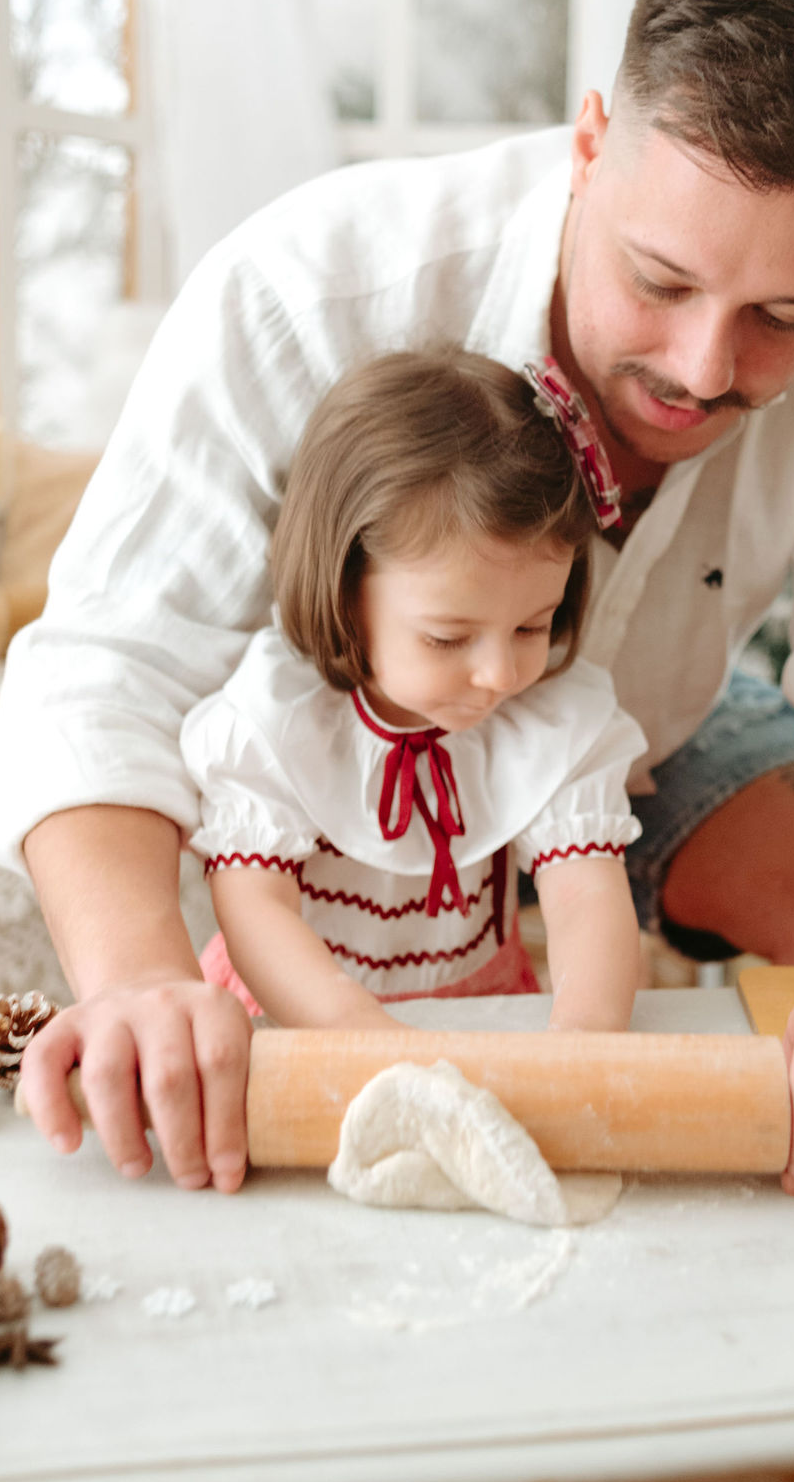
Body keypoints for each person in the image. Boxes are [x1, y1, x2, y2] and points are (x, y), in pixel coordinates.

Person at [0, 0, 794, 1199]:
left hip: (665, 724)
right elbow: (110, 670)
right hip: (360, 744)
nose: (702, 368)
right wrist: (137, 973)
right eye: (660, 281)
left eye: (783, 316)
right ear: (589, 145)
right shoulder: (307, 288)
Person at [180, 346, 643, 1032]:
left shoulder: (546, 721)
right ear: (345, 590)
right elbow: (256, 909)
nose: (499, 675)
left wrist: (582, 1040)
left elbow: (585, 900)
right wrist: (364, 1038)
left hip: (481, 1011)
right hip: (298, 1023)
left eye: (530, 626)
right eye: (448, 638)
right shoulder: (279, 723)